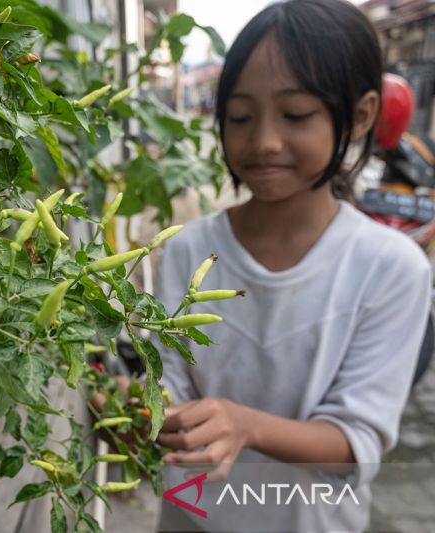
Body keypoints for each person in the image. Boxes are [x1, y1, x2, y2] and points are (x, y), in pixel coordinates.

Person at [125, 0, 432, 530]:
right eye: (240, 117)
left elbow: (356, 443)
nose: (263, 141)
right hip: (191, 518)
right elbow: (166, 383)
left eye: (296, 115)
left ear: (360, 115)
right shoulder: (185, 248)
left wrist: (244, 426)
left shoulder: (392, 267)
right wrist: (141, 414)